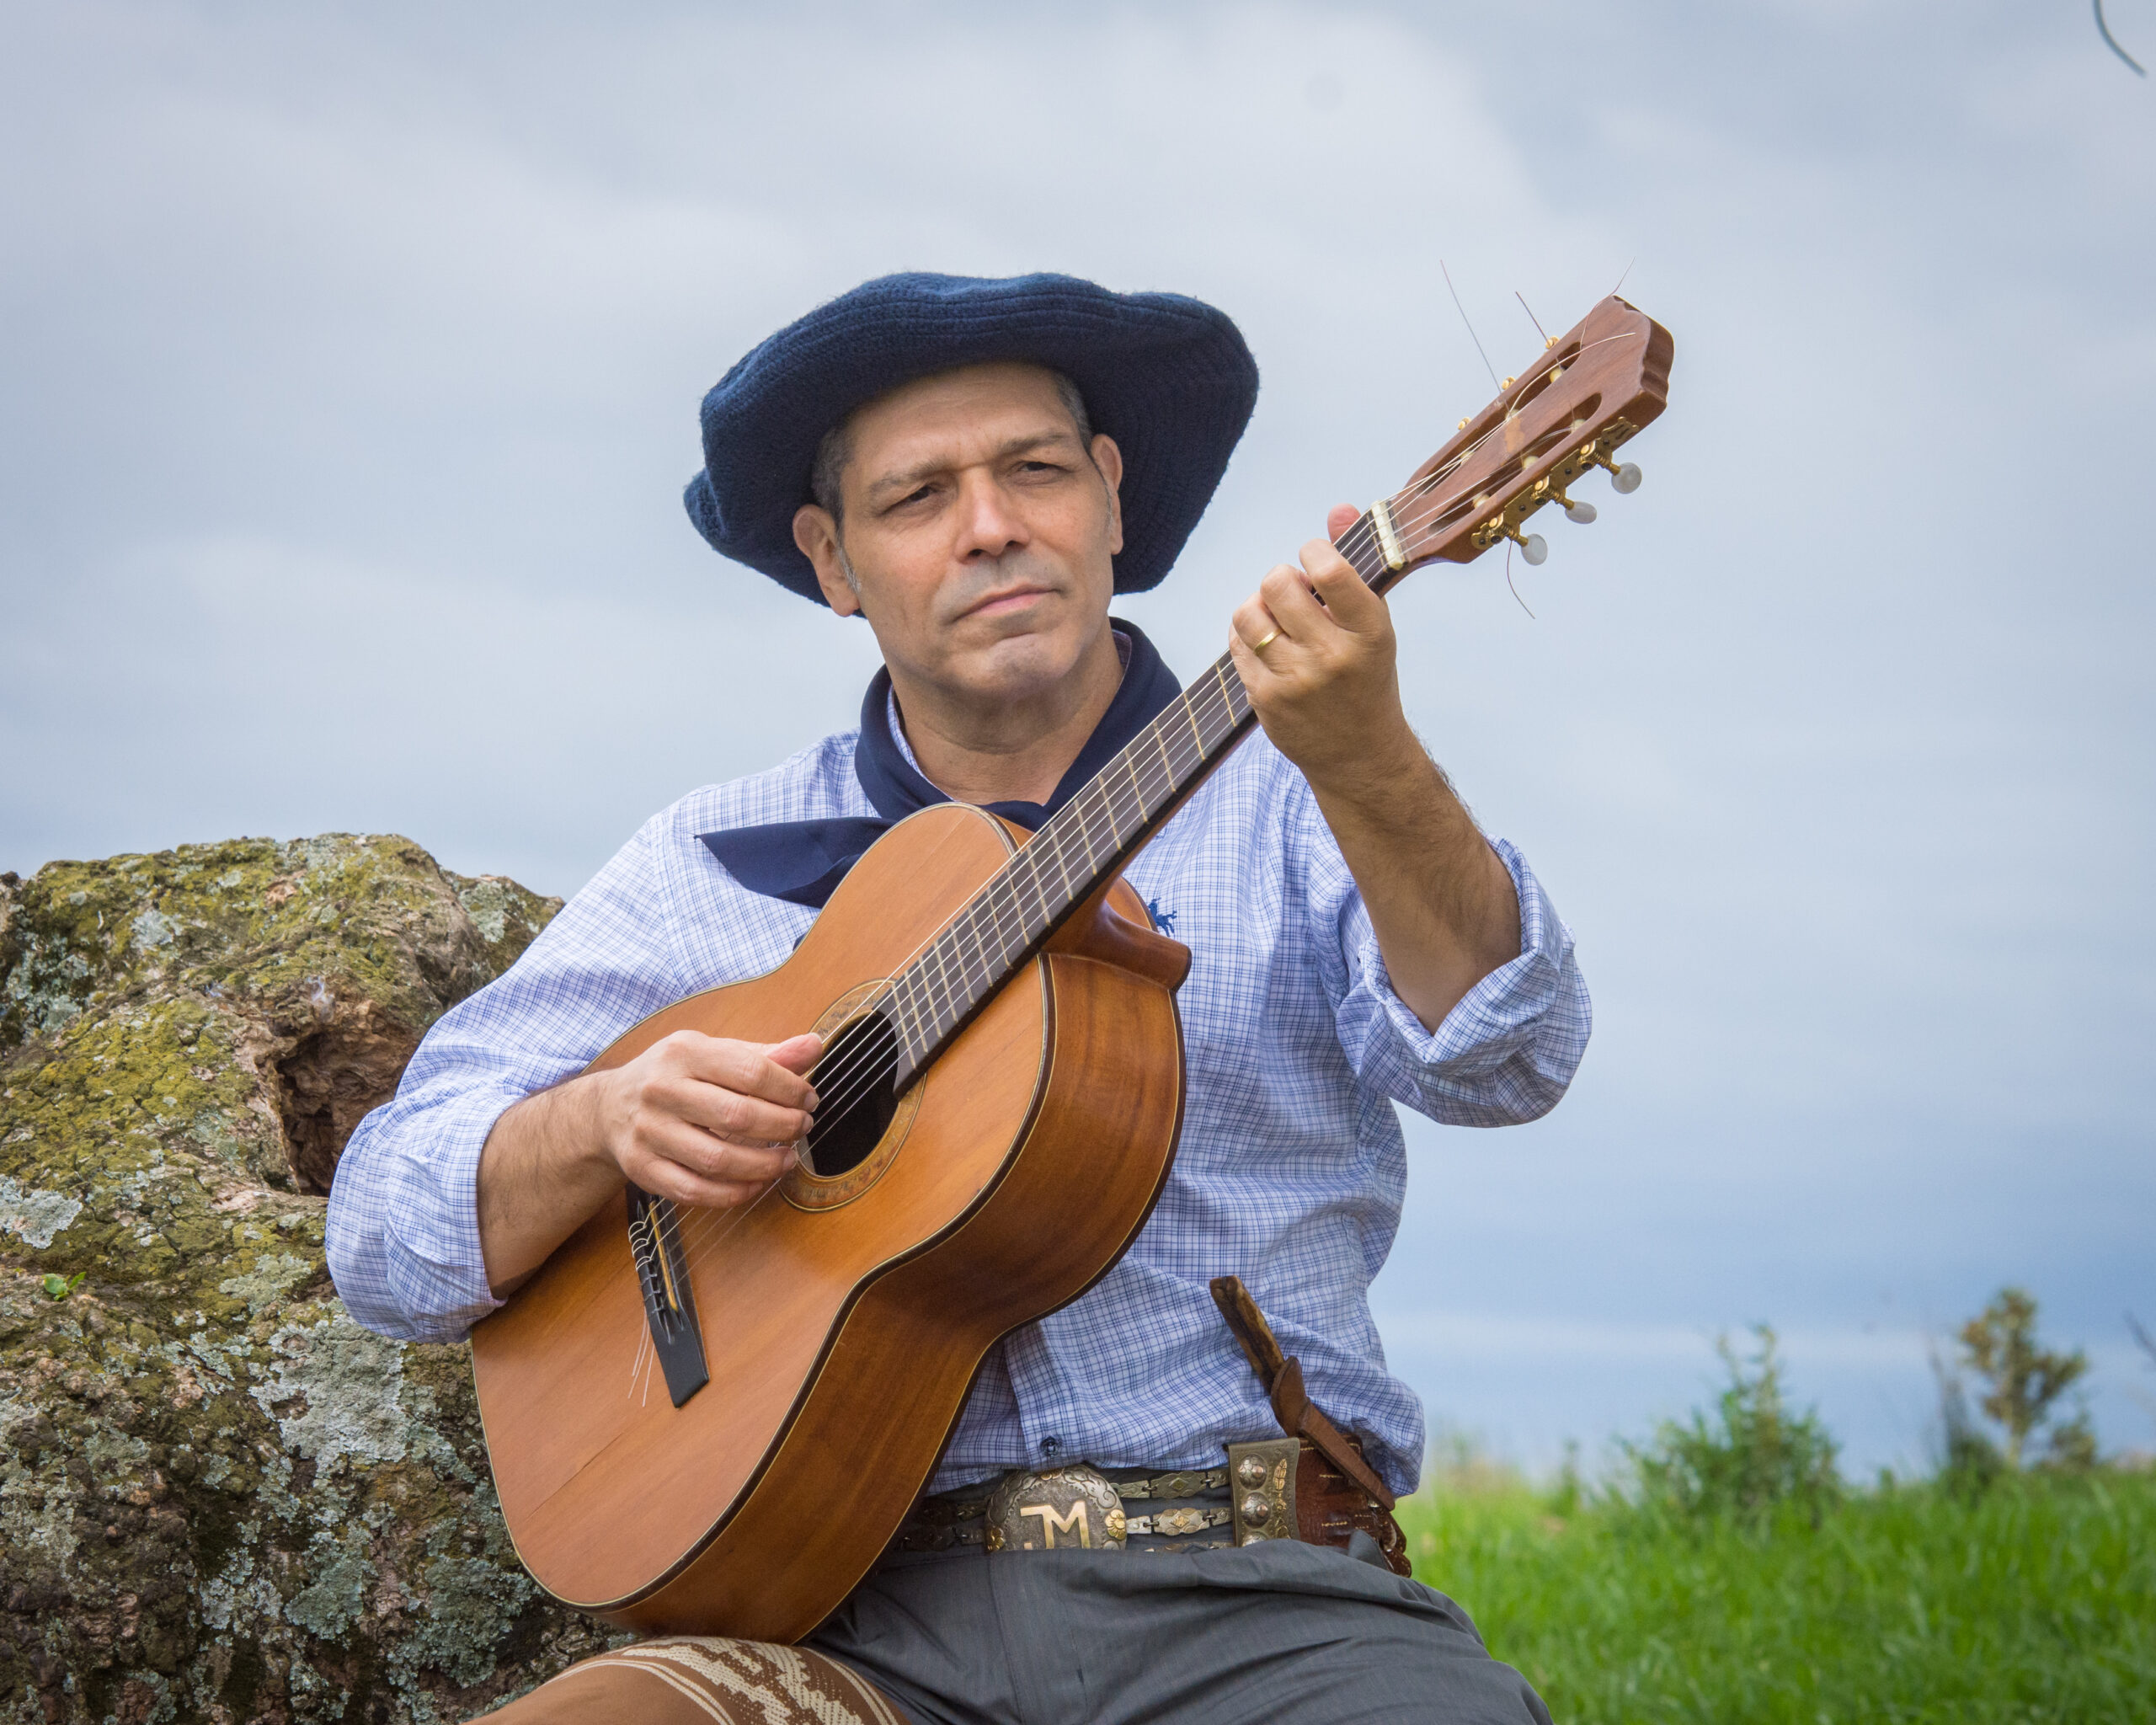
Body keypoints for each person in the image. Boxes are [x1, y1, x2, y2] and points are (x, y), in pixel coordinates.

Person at [328, 272, 1589, 1725]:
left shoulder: (1299, 794)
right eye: (919, 496)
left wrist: (1370, 761)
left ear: (1112, 498)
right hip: (851, 1633)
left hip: (1268, 1603)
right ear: (835, 562)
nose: (992, 526)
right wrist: (605, 1122)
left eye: (1036, 471)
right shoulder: (711, 864)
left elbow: (1513, 1058)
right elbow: (382, 1232)